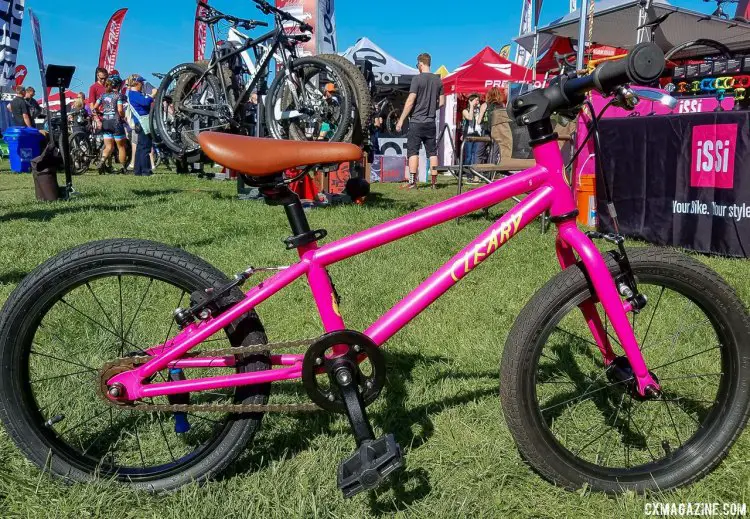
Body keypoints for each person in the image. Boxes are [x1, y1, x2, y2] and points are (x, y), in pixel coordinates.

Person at [396, 52, 445, 190]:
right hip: (430, 123)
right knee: (432, 152)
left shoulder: (417, 79)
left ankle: (412, 182)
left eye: (417, 64)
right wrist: (430, 107)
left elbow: (411, 100)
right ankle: (434, 183)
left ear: (421, 64)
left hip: (417, 122)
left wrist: (401, 120)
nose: (417, 66)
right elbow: (441, 102)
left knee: (413, 152)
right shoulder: (438, 80)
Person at [94, 74, 128, 174]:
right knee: (121, 147)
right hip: (116, 122)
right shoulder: (119, 95)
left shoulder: (103, 96)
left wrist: (100, 114)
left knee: (108, 147)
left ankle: (101, 162)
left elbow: (94, 108)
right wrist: (123, 116)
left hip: (105, 122)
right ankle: (123, 168)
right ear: (118, 85)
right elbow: (120, 109)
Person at [126, 75, 155, 176]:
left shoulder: (132, 94)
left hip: (139, 123)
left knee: (140, 147)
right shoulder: (134, 94)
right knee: (145, 147)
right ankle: (145, 171)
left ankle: (138, 170)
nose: (143, 85)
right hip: (142, 123)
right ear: (137, 83)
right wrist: (152, 95)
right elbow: (145, 102)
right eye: (141, 83)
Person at [479, 87, 507, 163]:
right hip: (498, 131)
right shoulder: (502, 105)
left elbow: (479, 121)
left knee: (480, 152)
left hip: (486, 130)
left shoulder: (485, 105)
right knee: (494, 153)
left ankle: (477, 172)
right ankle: (490, 173)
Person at [462, 94, 482, 171]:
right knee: (469, 155)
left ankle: (473, 172)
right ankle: (466, 171)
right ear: (471, 101)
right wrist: (471, 107)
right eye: (476, 100)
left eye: (478, 100)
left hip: (477, 134)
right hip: (468, 135)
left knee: (475, 155)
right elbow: (470, 118)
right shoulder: (465, 111)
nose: (477, 102)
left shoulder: (479, 110)